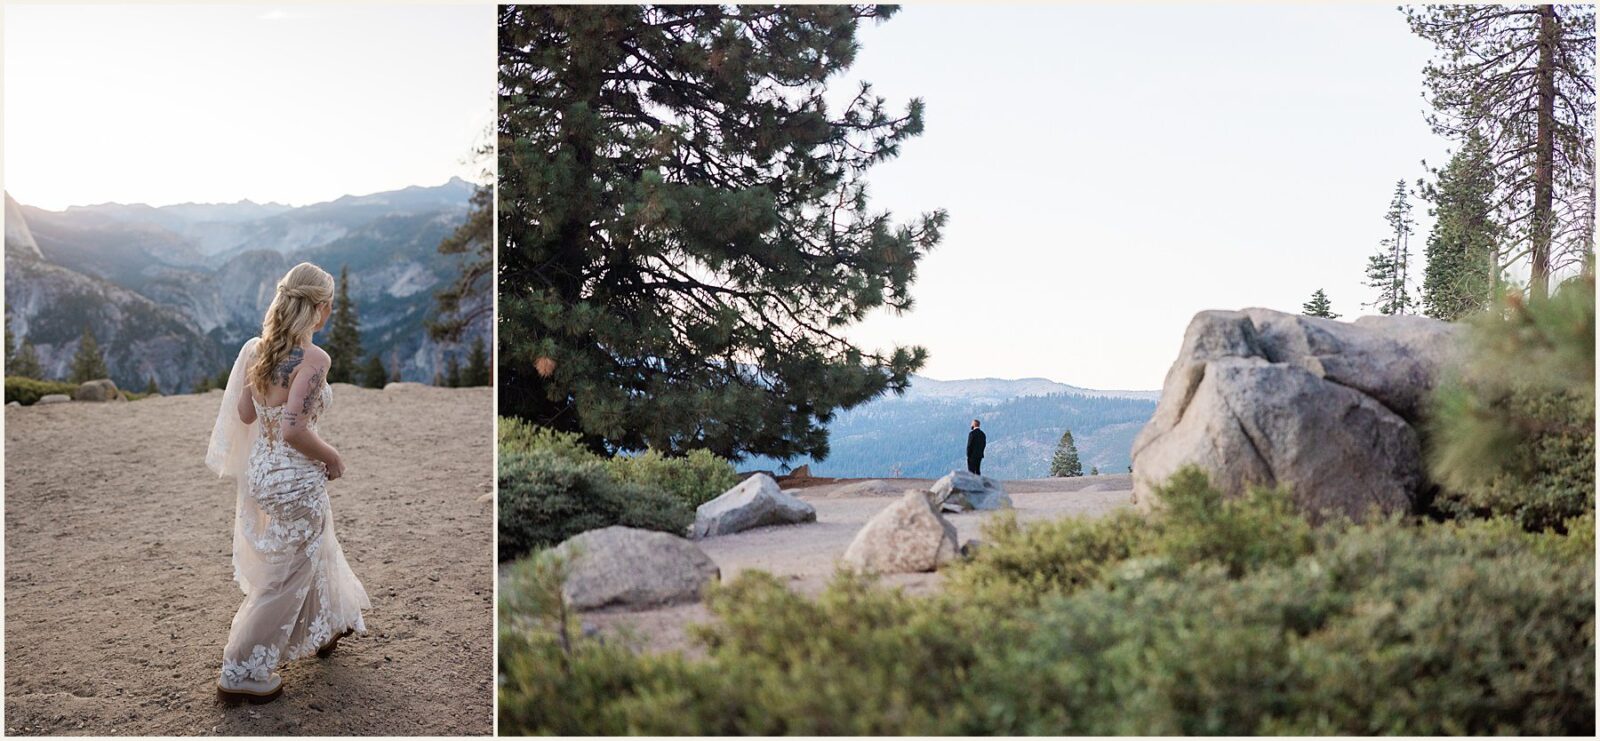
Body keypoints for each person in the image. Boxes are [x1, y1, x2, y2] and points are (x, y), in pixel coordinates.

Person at [206, 262, 370, 703]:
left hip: (263, 472)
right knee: (287, 573)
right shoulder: (313, 359)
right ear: (319, 308)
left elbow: (245, 415)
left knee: (310, 551)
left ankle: (328, 627)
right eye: (328, 305)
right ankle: (240, 669)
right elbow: (295, 428)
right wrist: (332, 457)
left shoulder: (258, 351)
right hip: (294, 478)